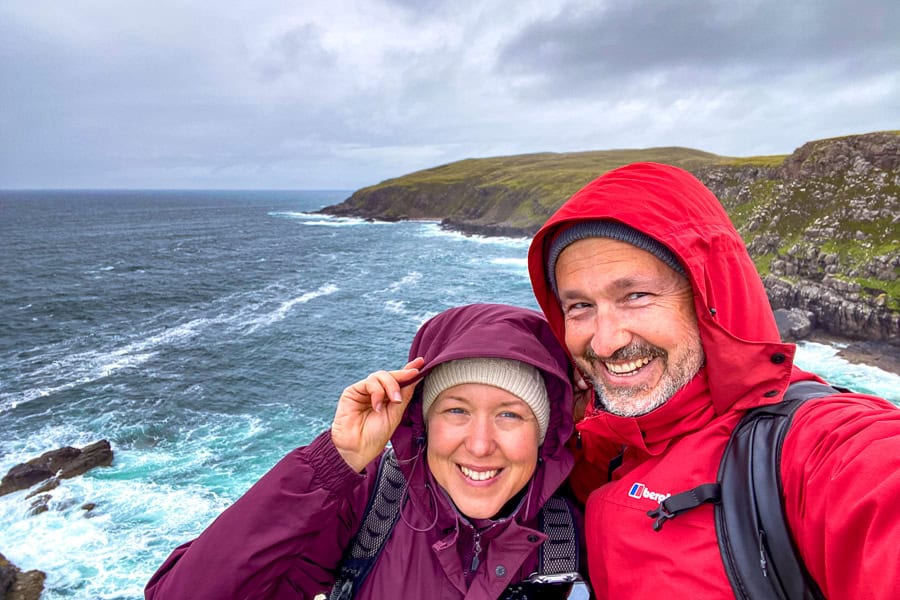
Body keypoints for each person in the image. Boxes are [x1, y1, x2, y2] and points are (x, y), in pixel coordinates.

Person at [526, 162, 900, 598]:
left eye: (636, 296)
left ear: (708, 297)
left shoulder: (817, 449)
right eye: (580, 307)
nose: (605, 343)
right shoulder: (601, 445)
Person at [145, 303, 587, 599]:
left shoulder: (575, 527)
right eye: (455, 410)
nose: (479, 444)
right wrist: (333, 463)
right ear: (423, 422)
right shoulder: (369, 505)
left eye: (510, 415)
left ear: (546, 433)